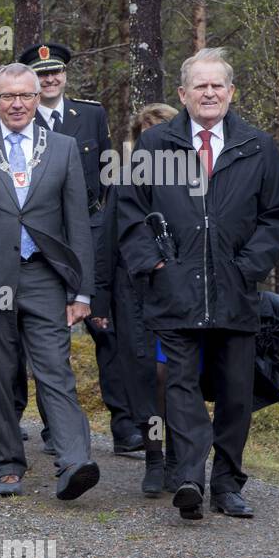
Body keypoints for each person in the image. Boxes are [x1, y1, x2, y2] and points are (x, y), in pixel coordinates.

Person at [118, 48, 279, 520]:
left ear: (231, 92)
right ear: (183, 94)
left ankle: (227, 483)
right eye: (200, 85)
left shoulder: (257, 146)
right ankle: (190, 479)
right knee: (180, 386)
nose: (210, 92)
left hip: (235, 291)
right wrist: (155, 264)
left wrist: (247, 267)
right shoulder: (155, 145)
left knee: (236, 392)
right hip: (174, 289)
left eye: (218, 85)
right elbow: (131, 212)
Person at [0, 63, 100, 500]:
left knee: (55, 369)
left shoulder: (63, 147)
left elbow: (78, 224)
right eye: (8, 96)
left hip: (45, 276)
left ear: (38, 100)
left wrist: (81, 290)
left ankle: (74, 460)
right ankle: (9, 465)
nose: (17, 104)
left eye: (26, 96)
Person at [18, 42, 143, 456]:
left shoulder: (90, 115)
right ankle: (57, 428)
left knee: (106, 328)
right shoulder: (18, 117)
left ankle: (125, 426)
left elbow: (106, 175)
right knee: (47, 335)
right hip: (39, 237)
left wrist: (107, 228)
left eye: (55, 72)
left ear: (65, 75)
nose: (50, 79)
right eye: (41, 74)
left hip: (89, 230)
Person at [100, 102, 180, 496]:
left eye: (160, 129)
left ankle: (180, 460)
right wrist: (99, 302)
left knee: (178, 378)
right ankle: (154, 457)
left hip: (183, 297)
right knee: (147, 379)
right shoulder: (122, 180)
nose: (154, 139)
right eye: (145, 133)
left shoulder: (195, 178)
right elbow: (107, 243)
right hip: (134, 297)